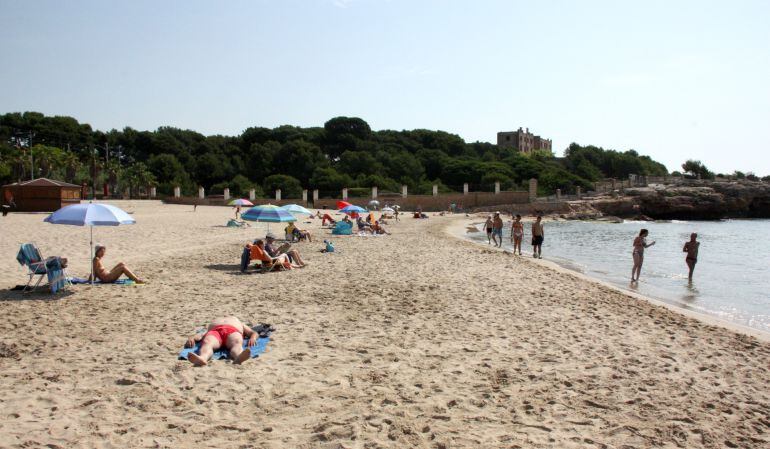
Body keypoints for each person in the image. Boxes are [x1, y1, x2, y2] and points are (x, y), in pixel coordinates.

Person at [185, 316, 257, 366]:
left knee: (237, 342)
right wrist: (192, 338)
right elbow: (202, 334)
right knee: (207, 342)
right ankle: (203, 358)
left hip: (232, 331)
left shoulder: (239, 322)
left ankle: (238, 356)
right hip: (215, 331)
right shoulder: (215, 322)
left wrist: (253, 338)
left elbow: (253, 332)